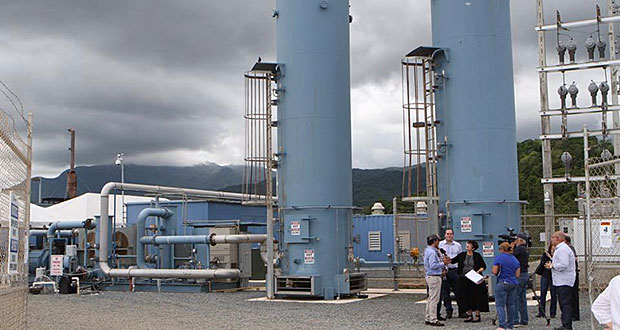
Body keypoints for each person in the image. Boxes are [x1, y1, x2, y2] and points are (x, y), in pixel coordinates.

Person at [449, 240, 489, 322]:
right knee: (465, 296)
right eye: (467, 244)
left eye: (469, 244)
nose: (467, 245)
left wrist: (478, 271)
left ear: (473, 247)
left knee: (477, 296)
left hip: (474, 279)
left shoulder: (477, 256)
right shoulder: (462, 255)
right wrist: (445, 257)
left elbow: (483, 266)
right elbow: (452, 261)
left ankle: (477, 315)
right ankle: (469, 314)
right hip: (464, 279)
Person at [545, 231, 576, 330]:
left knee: (565, 303)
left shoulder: (562, 249)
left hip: (564, 281)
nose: (551, 239)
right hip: (561, 280)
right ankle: (565, 324)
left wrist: (552, 266)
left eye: (553, 237)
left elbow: (564, 264)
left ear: (558, 238)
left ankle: (567, 325)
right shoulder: (561, 248)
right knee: (563, 303)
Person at [424, 233, 450, 327]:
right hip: (434, 277)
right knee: (435, 299)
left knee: (430, 298)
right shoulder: (432, 252)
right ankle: (433, 319)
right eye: (438, 240)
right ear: (434, 241)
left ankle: (428, 317)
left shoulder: (428, 250)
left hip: (431, 276)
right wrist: (443, 263)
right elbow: (433, 265)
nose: (439, 242)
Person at [493, 242, 521, 330]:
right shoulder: (515, 259)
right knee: (511, 305)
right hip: (513, 282)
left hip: (502, 281)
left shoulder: (499, 258)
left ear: (501, 249)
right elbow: (517, 274)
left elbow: (495, 271)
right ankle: (510, 325)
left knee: (500, 305)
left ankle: (502, 325)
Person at [438, 228, 464, 319]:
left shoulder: (458, 245)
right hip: (445, 270)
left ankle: (462, 311)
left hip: (454, 270)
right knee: (445, 293)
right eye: (447, 234)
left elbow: (461, 259)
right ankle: (448, 311)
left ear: (453, 235)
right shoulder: (440, 244)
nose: (449, 235)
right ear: (445, 235)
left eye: (450, 234)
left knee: (459, 292)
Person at [534, 244, 557, 319]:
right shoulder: (545, 254)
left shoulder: (558, 254)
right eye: (552, 248)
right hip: (545, 275)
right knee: (543, 293)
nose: (553, 249)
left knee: (553, 294)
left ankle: (553, 312)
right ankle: (541, 311)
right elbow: (544, 263)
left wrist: (551, 260)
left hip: (554, 277)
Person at [512, 233, 530, 326]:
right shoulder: (525, 249)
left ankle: (515, 319)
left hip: (518, 274)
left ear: (520, 240)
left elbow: (511, 258)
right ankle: (524, 319)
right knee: (522, 298)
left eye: (516, 239)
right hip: (524, 273)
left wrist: (511, 248)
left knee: (515, 298)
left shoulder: (519, 249)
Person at [564, 236, 579, 321]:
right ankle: (573, 314)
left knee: (573, 295)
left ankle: (575, 314)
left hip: (573, 274)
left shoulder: (569, 249)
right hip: (572, 273)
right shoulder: (570, 249)